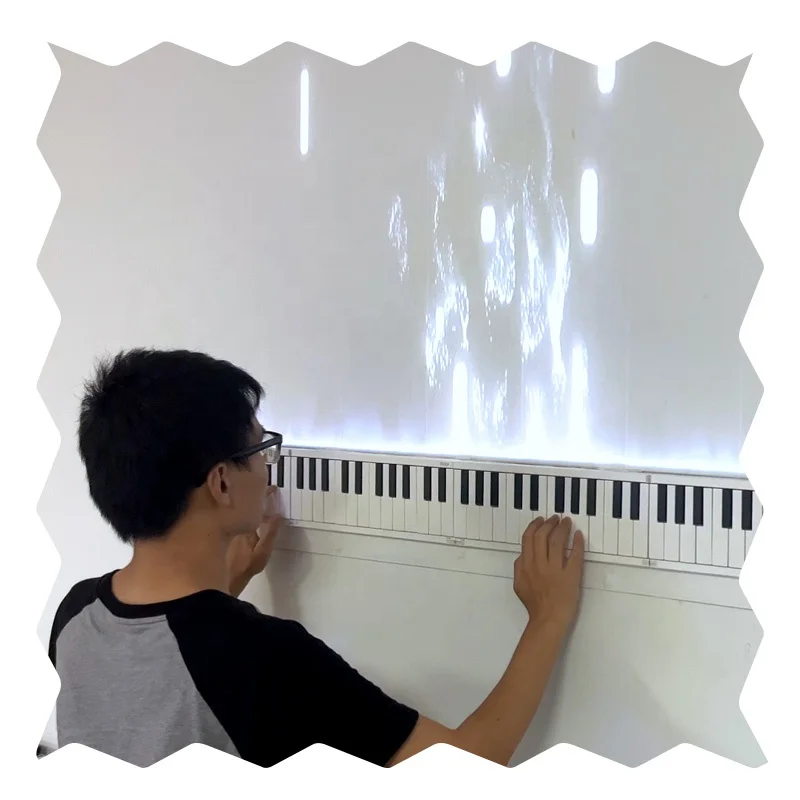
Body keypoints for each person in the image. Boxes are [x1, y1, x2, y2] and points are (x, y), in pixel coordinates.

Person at [49, 348, 585, 768]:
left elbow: (159, 688)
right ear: (222, 483)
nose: (269, 467)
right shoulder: (266, 658)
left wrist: (227, 586)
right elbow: (466, 769)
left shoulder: (75, 616)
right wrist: (548, 617)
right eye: (260, 450)